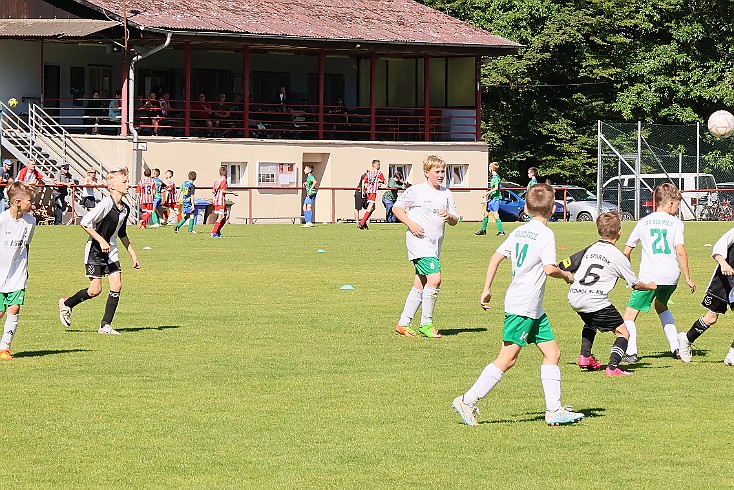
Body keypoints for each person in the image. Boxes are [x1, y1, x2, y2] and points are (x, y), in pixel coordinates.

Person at [452, 183, 583, 427]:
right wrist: (566, 276)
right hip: (522, 306)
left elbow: (496, 257)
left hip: (532, 308)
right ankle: (467, 400)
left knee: (552, 353)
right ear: (553, 208)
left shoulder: (519, 231)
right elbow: (549, 268)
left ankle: (553, 410)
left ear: (526, 207)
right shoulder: (546, 234)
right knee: (507, 359)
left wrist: (487, 288)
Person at [560, 212, 657, 376]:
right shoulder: (618, 256)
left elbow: (563, 265)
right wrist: (650, 286)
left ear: (599, 231)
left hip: (575, 296)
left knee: (590, 322)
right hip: (594, 299)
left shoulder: (590, 248)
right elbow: (635, 284)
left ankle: (585, 357)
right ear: (619, 231)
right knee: (623, 333)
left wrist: (568, 277)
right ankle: (612, 367)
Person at [58, 167, 140, 335]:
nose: (128, 185)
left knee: (117, 285)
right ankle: (67, 304)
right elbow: (85, 223)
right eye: (124, 182)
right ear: (112, 186)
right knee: (95, 290)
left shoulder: (125, 209)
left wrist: (133, 255)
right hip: (95, 251)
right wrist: (101, 240)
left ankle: (105, 325)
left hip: (111, 252)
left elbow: (122, 233)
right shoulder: (105, 204)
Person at [621, 183, 695, 363]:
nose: (677, 209)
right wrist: (687, 277)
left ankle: (631, 352)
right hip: (671, 276)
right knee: (661, 306)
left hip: (649, 277)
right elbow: (680, 251)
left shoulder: (643, 222)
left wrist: (628, 275)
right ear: (670, 203)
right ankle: (676, 347)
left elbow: (626, 251)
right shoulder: (677, 223)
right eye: (677, 205)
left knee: (630, 314)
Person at [392, 155, 458, 338]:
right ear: (427, 172)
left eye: (442, 171)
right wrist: (411, 224)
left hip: (434, 245)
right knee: (435, 279)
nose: (440, 175)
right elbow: (397, 208)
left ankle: (403, 323)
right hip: (418, 242)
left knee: (420, 283)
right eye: (436, 171)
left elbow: (455, 220)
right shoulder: (416, 191)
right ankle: (426, 323)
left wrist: (450, 216)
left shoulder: (446, 193)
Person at [678, 227, 734, 364]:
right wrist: (724, 265)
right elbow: (717, 250)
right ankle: (686, 339)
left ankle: (732, 355)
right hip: (723, 280)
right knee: (711, 318)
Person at [0, 182, 36, 360]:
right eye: (30, 200)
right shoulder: (2, 220)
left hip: (18, 273)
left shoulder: (31, 221)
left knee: (14, 309)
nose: (33, 204)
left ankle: (4, 348)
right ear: (18, 202)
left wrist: (26, 268)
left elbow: (26, 246)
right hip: (0, 274)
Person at [475, 161, 504, 236]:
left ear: (491, 168)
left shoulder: (496, 177)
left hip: (495, 198)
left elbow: (496, 187)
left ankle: (501, 231)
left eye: (489, 167)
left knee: (495, 214)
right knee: (486, 214)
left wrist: (488, 192)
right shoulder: (493, 177)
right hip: (491, 198)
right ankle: (483, 230)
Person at [358, 159, 386, 230]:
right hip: (373, 192)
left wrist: (363, 190)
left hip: (368, 191)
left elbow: (364, 180)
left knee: (373, 208)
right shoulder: (379, 173)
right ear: (375, 165)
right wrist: (380, 183)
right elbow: (385, 182)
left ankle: (364, 223)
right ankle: (362, 223)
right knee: (370, 206)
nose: (380, 166)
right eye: (379, 164)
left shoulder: (369, 172)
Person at [211, 166, 236, 237]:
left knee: (225, 216)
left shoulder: (217, 181)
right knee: (221, 216)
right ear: (226, 173)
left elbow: (213, 190)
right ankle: (214, 232)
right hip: (220, 201)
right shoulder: (224, 181)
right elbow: (223, 190)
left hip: (216, 200)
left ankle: (218, 231)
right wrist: (232, 193)